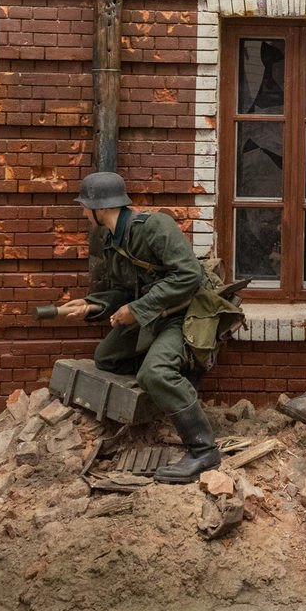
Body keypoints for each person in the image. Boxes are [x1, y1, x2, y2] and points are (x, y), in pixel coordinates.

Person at [55, 171, 218, 485]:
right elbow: (123, 292)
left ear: (101, 208)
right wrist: (91, 305)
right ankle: (168, 377)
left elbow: (189, 276)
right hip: (154, 315)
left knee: (153, 373)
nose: (83, 212)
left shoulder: (155, 227)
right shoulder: (112, 241)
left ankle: (203, 451)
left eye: (85, 206)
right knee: (106, 357)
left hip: (185, 313)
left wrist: (137, 310)